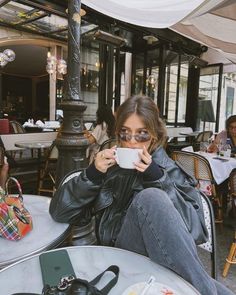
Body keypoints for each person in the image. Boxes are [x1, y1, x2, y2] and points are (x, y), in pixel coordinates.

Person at [50, 95, 234, 295]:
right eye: (125, 133)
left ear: (154, 135)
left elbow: (196, 231)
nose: (131, 143)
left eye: (142, 134)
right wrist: (92, 175)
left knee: (151, 197)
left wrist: (157, 178)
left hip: (160, 256)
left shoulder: (169, 170)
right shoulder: (108, 168)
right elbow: (60, 213)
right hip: (116, 255)